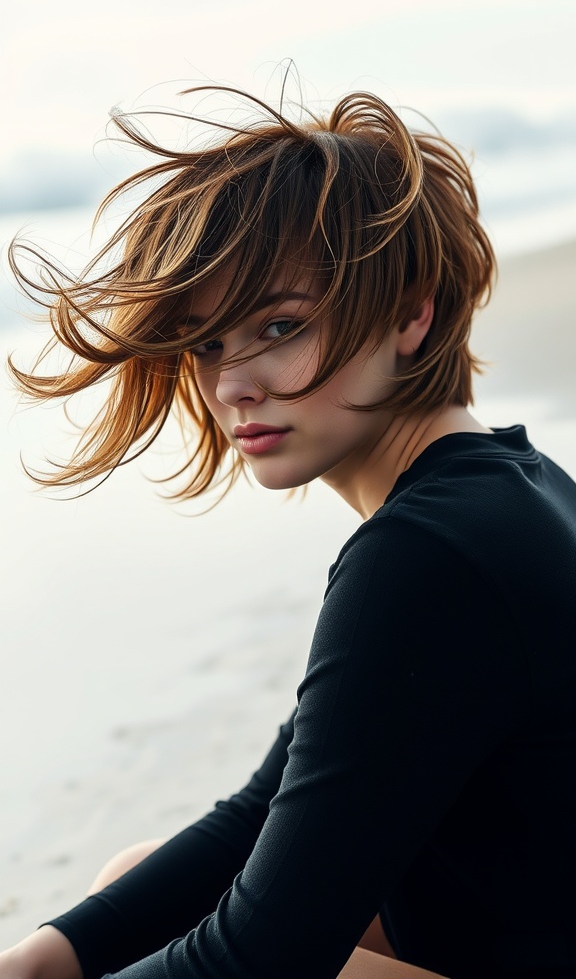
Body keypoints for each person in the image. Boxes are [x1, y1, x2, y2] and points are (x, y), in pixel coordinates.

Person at [2, 86, 575, 979]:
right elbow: (269, 803)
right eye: (202, 345)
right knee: (131, 887)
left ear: (410, 314)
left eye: (278, 326)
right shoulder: (510, 487)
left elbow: (261, 958)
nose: (232, 385)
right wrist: (43, 959)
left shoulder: (429, 554)